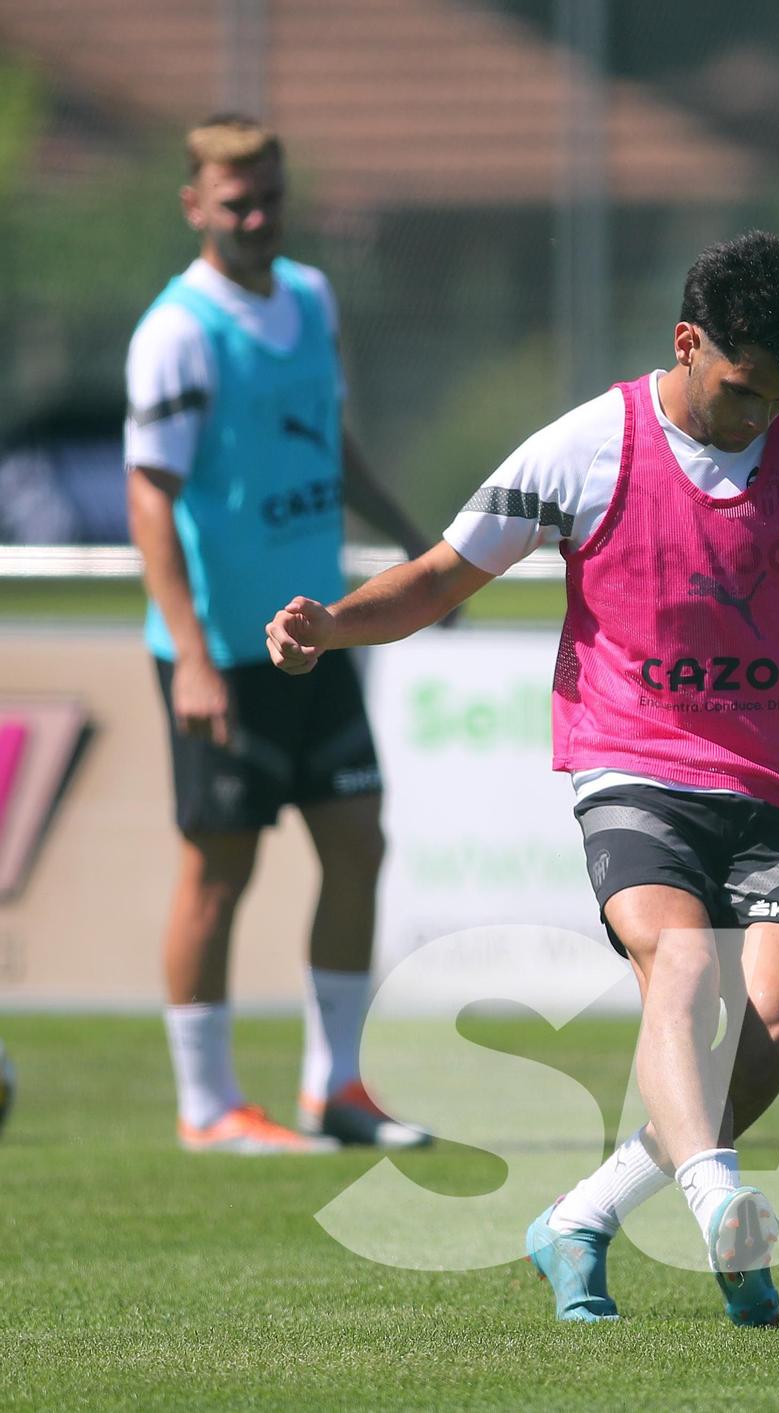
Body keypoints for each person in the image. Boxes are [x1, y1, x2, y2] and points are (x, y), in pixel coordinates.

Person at [266, 230, 779, 1329]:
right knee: (678, 965)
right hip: (633, 766)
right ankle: (717, 1197)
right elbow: (442, 576)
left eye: (776, 400)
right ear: (687, 343)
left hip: (773, 785)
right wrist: (332, 627)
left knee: (775, 1020)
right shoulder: (588, 447)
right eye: (740, 390)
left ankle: (579, 1216)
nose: (755, 417)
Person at [127, 114, 433, 1156]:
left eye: (267, 194)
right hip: (222, 656)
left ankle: (336, 1088)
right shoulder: (177, 331)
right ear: (193, 204)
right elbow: (150, 497)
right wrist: (192, 655)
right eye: (232, 198)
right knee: (218, 871)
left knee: (358, 841)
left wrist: (415, 547)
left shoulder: (308, 294)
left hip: (315, 636)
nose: (254, 214)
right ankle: (207, 1106)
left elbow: (328, 440)